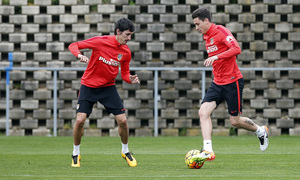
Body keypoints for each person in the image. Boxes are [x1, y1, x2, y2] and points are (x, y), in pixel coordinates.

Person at [191, 8, 269, 163]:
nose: (196, 28)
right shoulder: (206, 36)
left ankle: (261, 131)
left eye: (198, 24)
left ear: (206, 20)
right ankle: (208, 150)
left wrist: (216, 57)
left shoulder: (221, 31)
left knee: (235, 121)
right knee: (203, 112)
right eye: (194, 25)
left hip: (232, 81)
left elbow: (236, 49)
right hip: (217, 83)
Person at [68, 18, 140, 167]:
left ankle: (125, 151)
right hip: (88, 85)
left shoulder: (126, 52)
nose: (129, 38)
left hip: (108, 88)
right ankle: (76, 154)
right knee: (80, 120)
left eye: (131, 35)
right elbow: (74, 45)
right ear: (118, 32)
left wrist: (130, 79)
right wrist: (79, 55)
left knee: (123, 121)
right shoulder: (100, 41)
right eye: (127, 34)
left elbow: (125, 74)